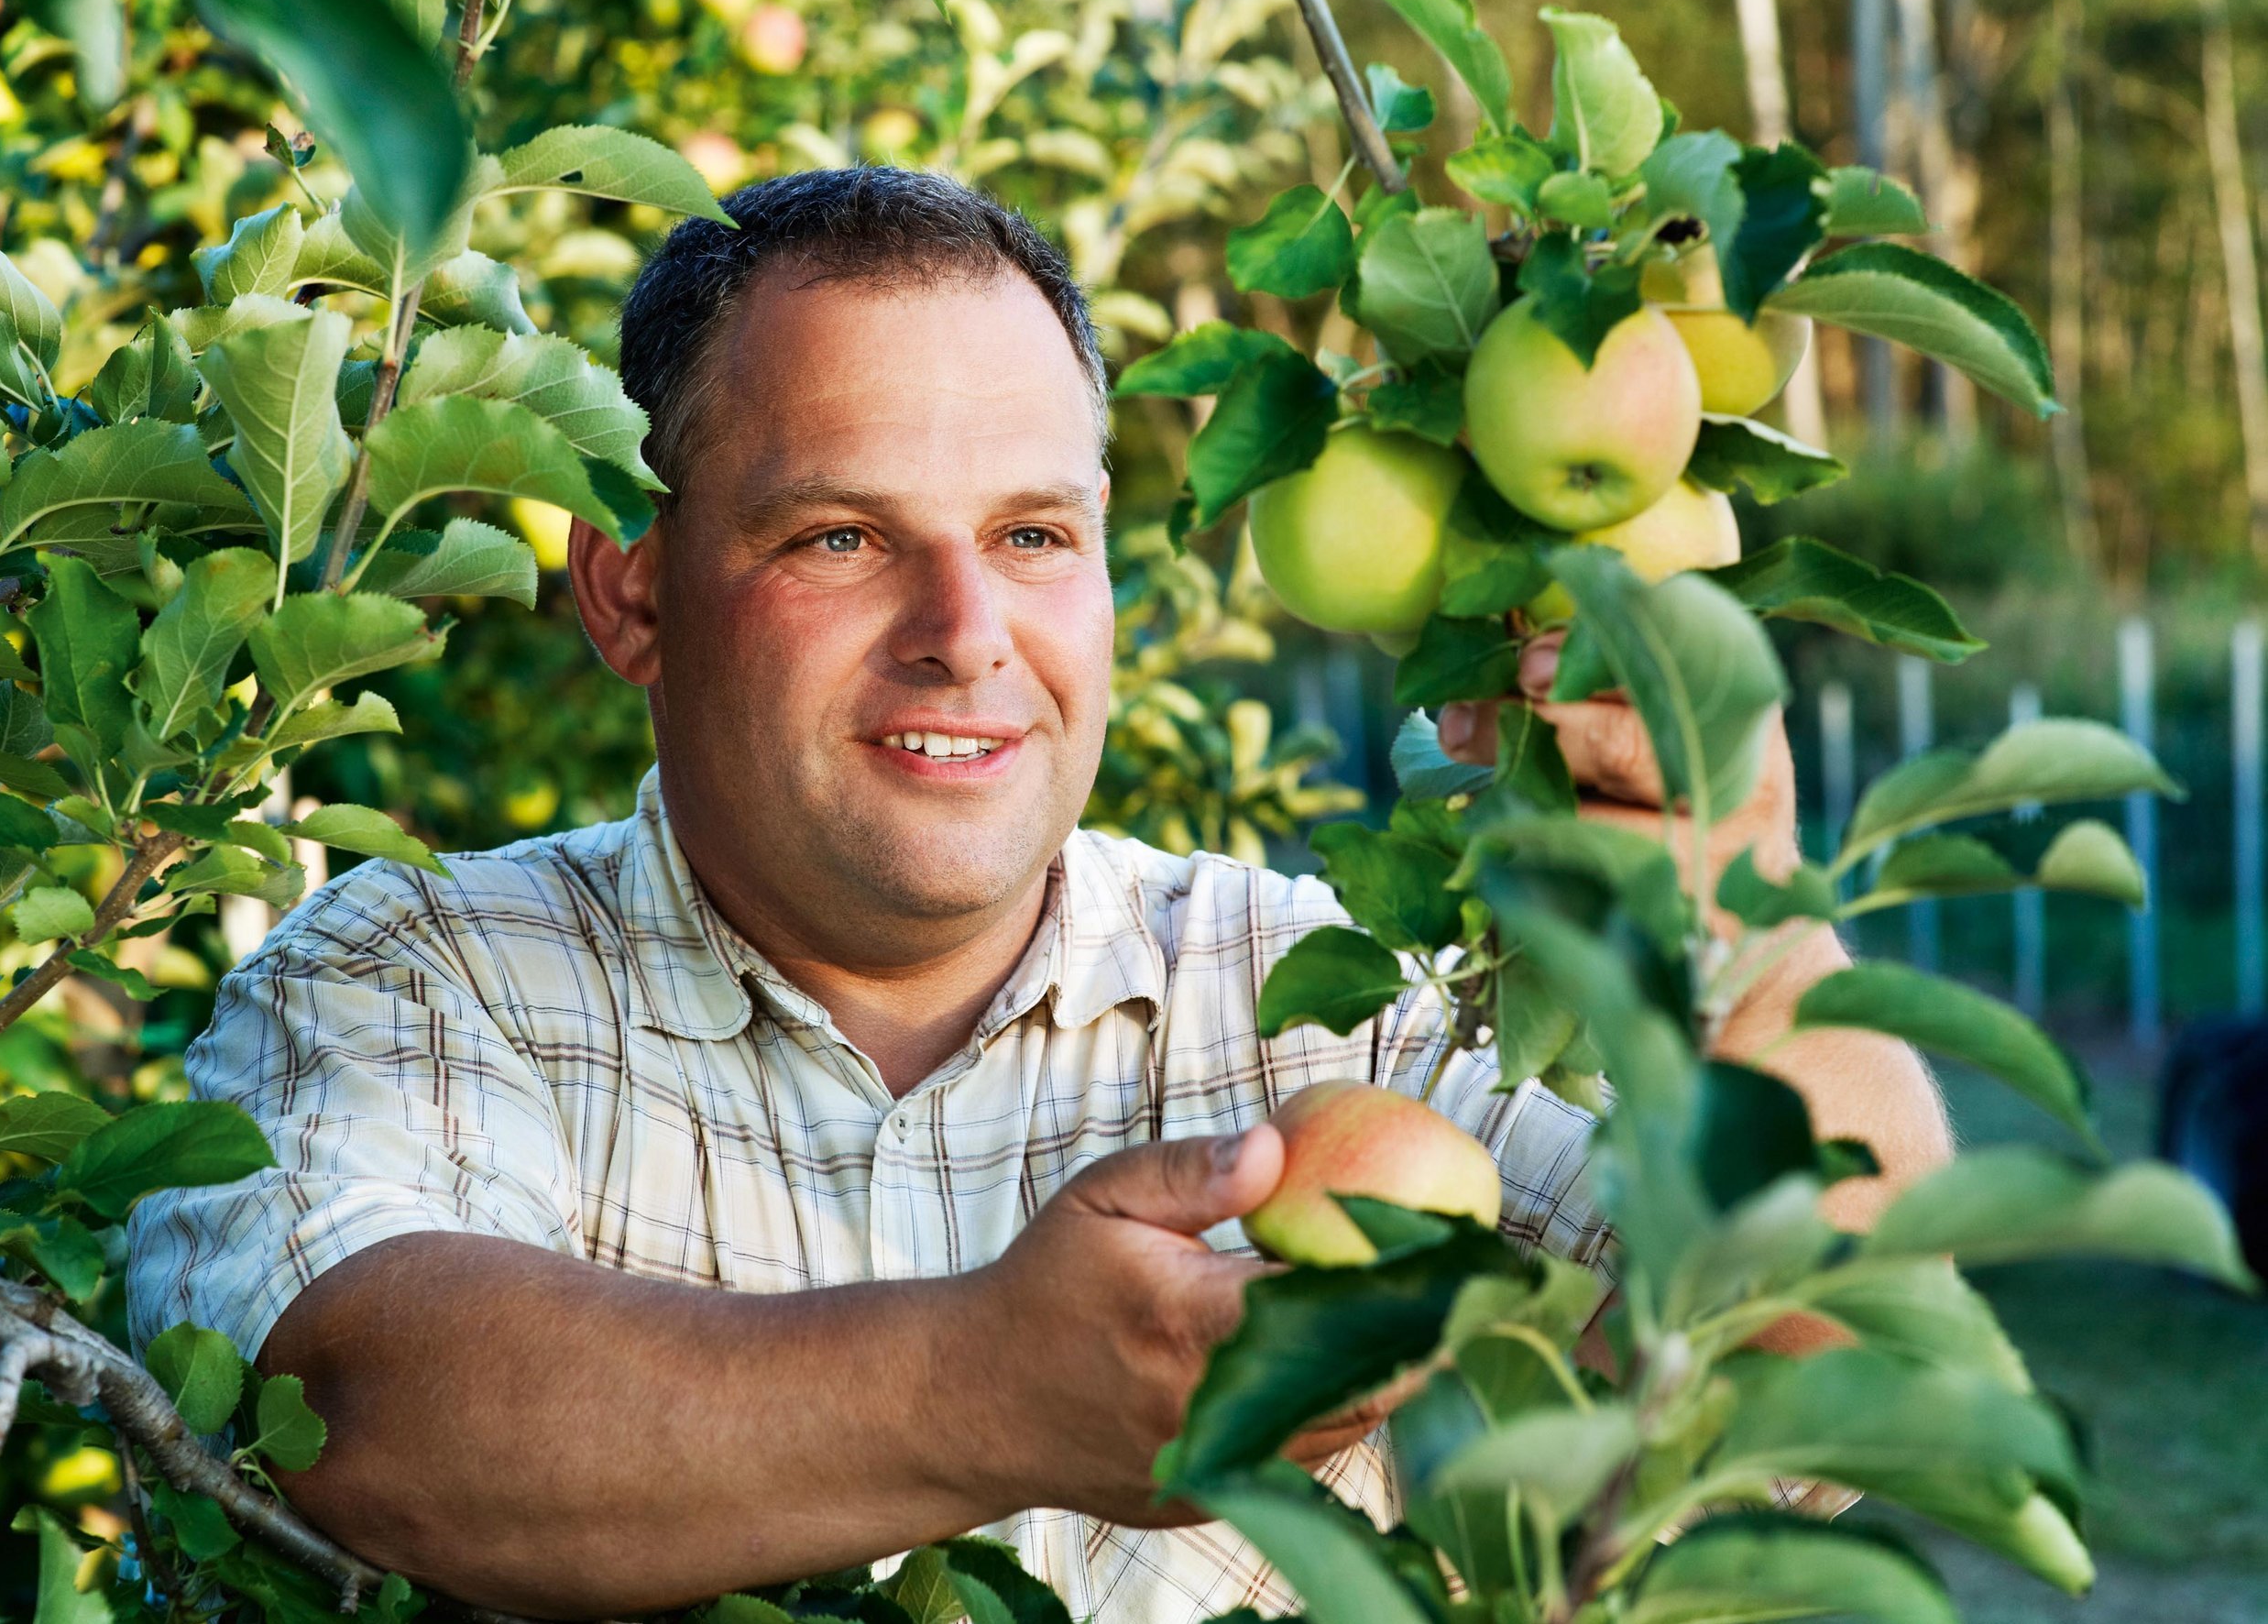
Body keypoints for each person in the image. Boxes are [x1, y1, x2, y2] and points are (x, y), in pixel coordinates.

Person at [126, 168, 1950, 1621]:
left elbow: (1828, 1364)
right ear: (629, 589)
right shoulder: (407, 979)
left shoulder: (1317, 998)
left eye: (1031, 536)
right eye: (838, 537)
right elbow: (354, 1405)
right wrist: (988, 1389)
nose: (965, 635)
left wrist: (1757, 939)